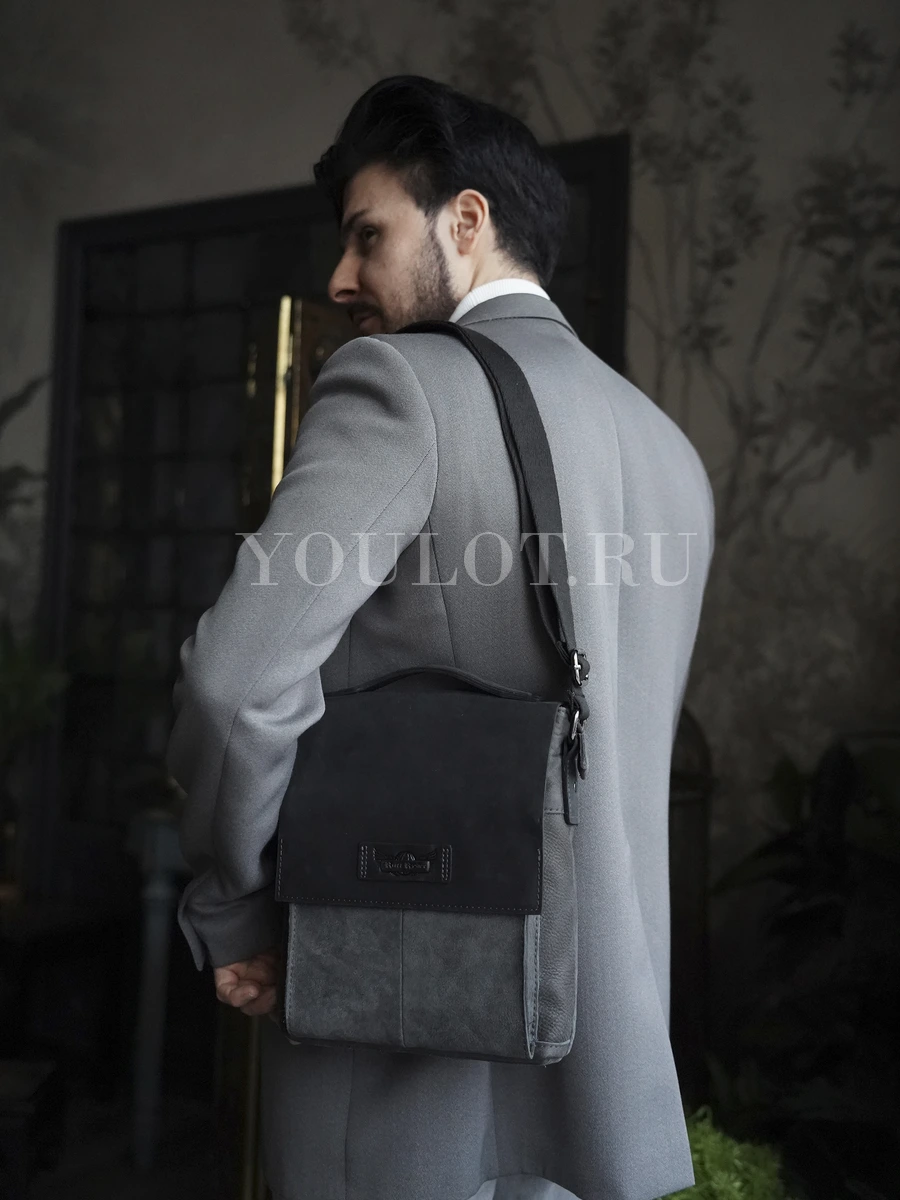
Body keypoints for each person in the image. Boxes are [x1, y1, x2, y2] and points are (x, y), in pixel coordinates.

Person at [166, 74, 714, 1200]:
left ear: (466, 221)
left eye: (367, 234)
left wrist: (234, 904)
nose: (340, 277)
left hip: (404, 1043)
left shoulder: (401, 386)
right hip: (589, 1055)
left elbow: (235, 684)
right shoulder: (667, 447)